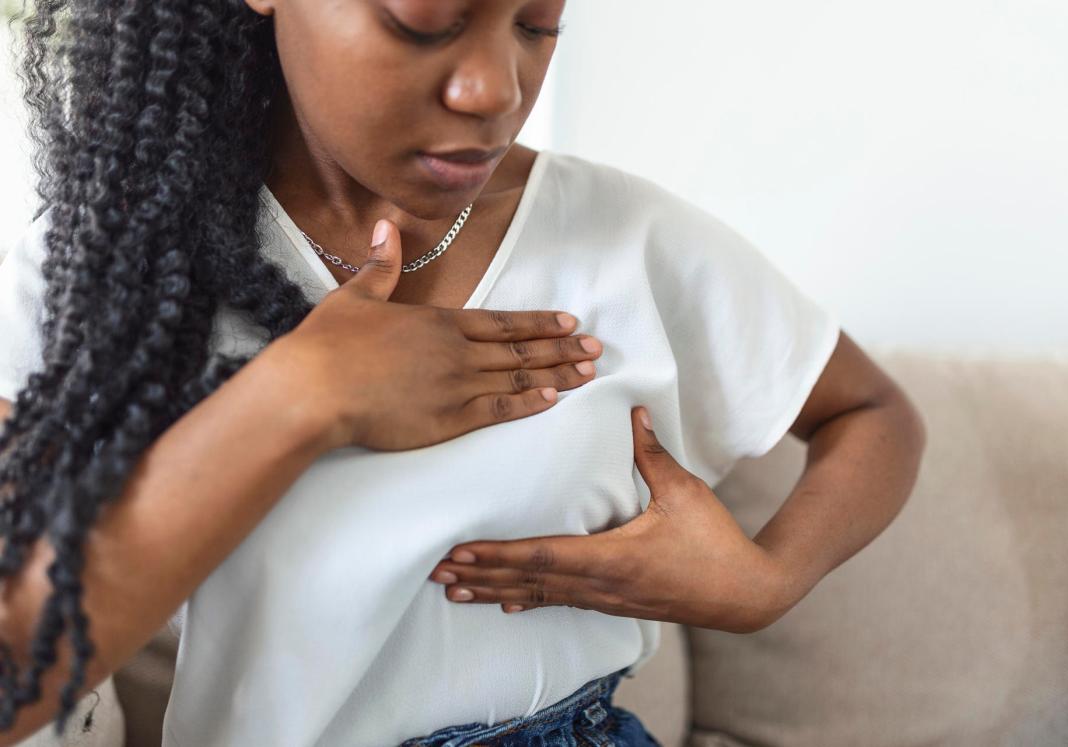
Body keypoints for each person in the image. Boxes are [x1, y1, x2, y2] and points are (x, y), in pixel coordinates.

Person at [0, 0, 927, 745]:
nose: (496, 87)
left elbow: (873, 412)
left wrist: (769, 580)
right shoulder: (104, 263)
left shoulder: (626, 235)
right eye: (425, 23)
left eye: (538, 23)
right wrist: (305, 393)